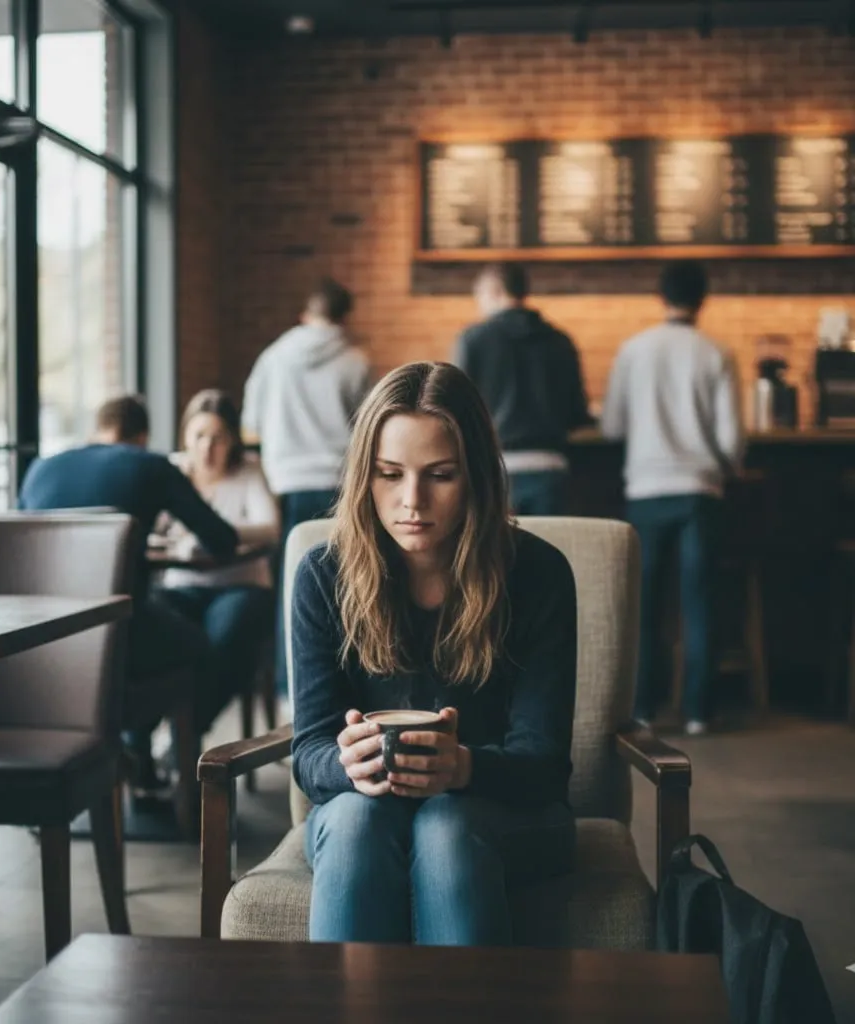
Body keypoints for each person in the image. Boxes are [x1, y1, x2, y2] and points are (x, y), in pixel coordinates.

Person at [291, 361, 577, 946]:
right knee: (353, 821)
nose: (411, 501)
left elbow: (546, 764)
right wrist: (346, 763)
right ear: (362, 478)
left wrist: (463, 767)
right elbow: (309, 751)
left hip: (509, 811)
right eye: (389, 474)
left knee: (447, 825)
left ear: (476, 476)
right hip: (363, 812)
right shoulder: (324, 576)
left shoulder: (538, 574)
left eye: (440, 475)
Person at [19, 394, 240, 787]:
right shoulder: (151, 466)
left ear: (97, 431)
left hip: (41, 644)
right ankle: (170, 768)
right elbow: (222, 539)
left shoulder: (41, 468)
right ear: (142, 436)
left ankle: (133, 759)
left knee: (158, 625)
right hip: (118, 635)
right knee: (200, 647)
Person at [601, 260, 744, 736]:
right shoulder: (716, 353)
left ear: (661, 296)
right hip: (700, 491)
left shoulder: (633, 350)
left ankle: (641, 707)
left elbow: (613, 426)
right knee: (699, 602)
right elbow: (731, 438)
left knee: (641, 604)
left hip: (645, 489)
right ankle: (700, 711)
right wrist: (725, 467)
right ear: (703, 298)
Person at [241, 276, 372, 695]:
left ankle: (289, 690)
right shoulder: (356, 361)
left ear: (304, 314)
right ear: (344, 317)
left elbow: (252, 424)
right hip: (338, 485)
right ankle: (346, 689)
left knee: (292, 590)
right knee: (351, 585)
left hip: (284, 485)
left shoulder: (273, 358)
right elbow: (371, 429)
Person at [154, 389, 279, 729]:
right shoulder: (173, 472)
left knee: (225, 637)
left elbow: (269, 527)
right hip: (182, 585)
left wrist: (211, 532)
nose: (207, 448)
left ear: (232, 441)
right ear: (185, 437)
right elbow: (154, 528)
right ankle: (143, 747)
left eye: (218, 438)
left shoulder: (248, 469)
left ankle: (190, 728)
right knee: (148, 626)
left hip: (240, 585)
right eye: (199, 436)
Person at [452, 262, 593, 516]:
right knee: (547, 552)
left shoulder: (473, 339)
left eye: (479, 296)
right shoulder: (561, 341)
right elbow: (577, 414)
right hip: (551, 466)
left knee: (497, 554)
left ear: (494, 291)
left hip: (494, 468)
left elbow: (453, 407)